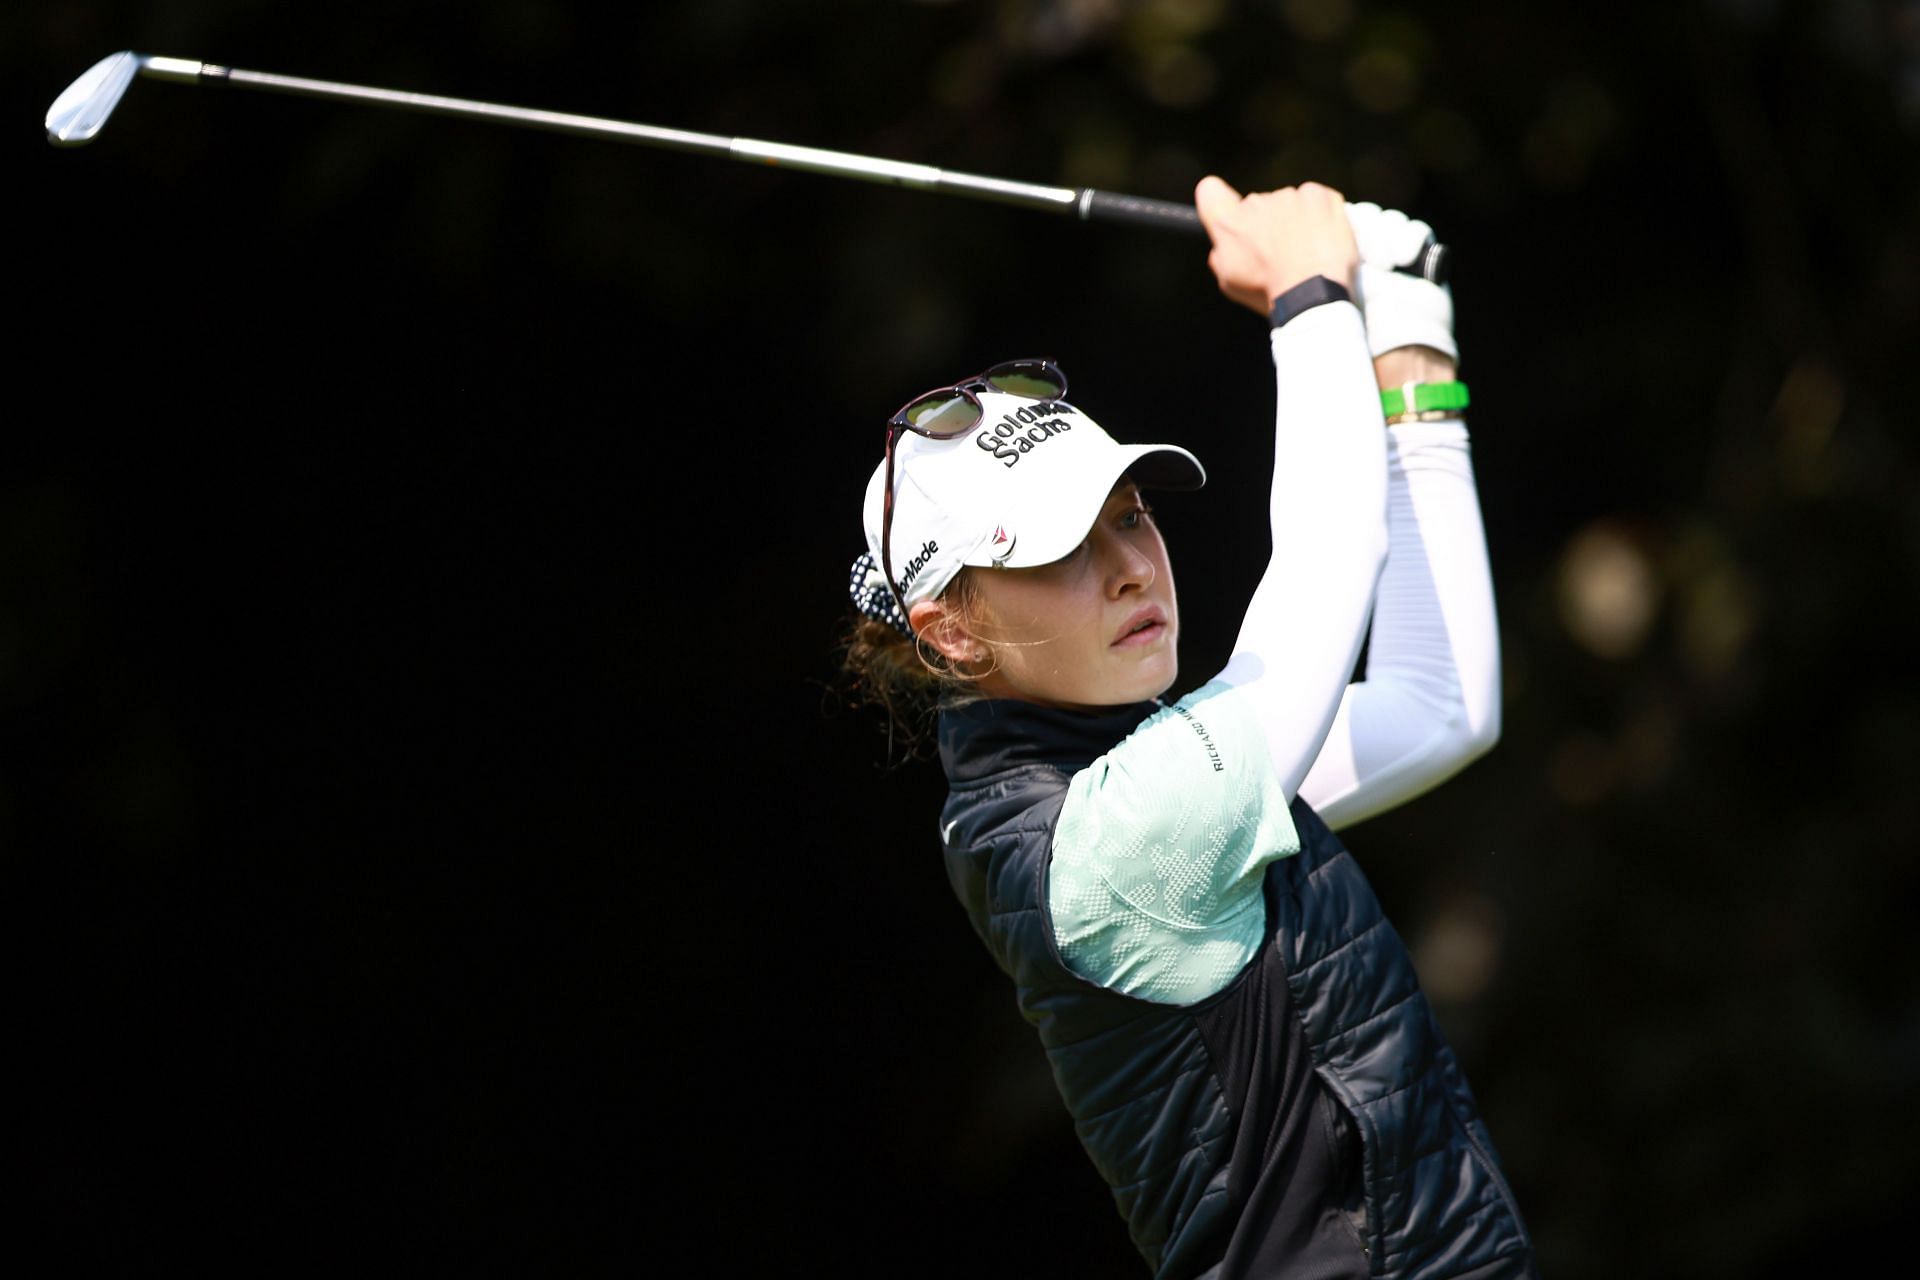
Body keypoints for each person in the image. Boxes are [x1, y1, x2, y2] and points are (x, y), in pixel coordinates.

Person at [842, 178, 1536, 1280]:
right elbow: (1322, 580)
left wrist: (1406, 335)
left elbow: (1441, 705)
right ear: (951, 632)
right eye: (1060, 549)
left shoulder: (1150, 773)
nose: (1128, 566)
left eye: (1129, 512)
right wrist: (1309, 301)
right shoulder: (1102, 844)